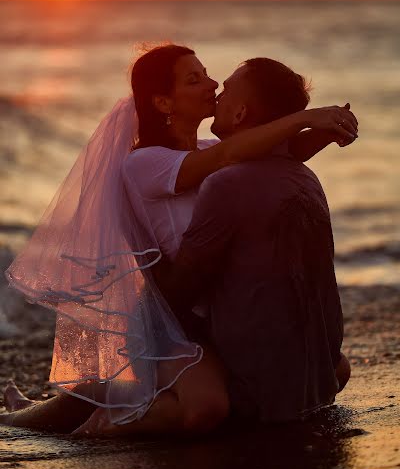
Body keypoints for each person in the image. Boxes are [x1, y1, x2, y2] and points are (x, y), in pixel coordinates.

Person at [1, 45, 357, 436]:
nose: (212, 84)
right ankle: (83, 426)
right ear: (162, 101)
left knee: (319, 374)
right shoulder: (145, 163)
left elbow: (277, 152)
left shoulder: (210, 151)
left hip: (217, 316)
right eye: (195, 79)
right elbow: (233, 155)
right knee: (205, 409)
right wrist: (306, 118)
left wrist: (326, 132)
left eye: (206, 74)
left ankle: (45, 407)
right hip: (171, 319)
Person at [158, 57, 352, 423]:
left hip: (255, 395)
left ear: (240, 113)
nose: (217, 92)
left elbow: (182, 290)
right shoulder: (308, 179)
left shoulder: (227, 184)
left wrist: (140, 266)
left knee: (143, 336)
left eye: (227, 89)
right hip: (316, 383)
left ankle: (42, 417)